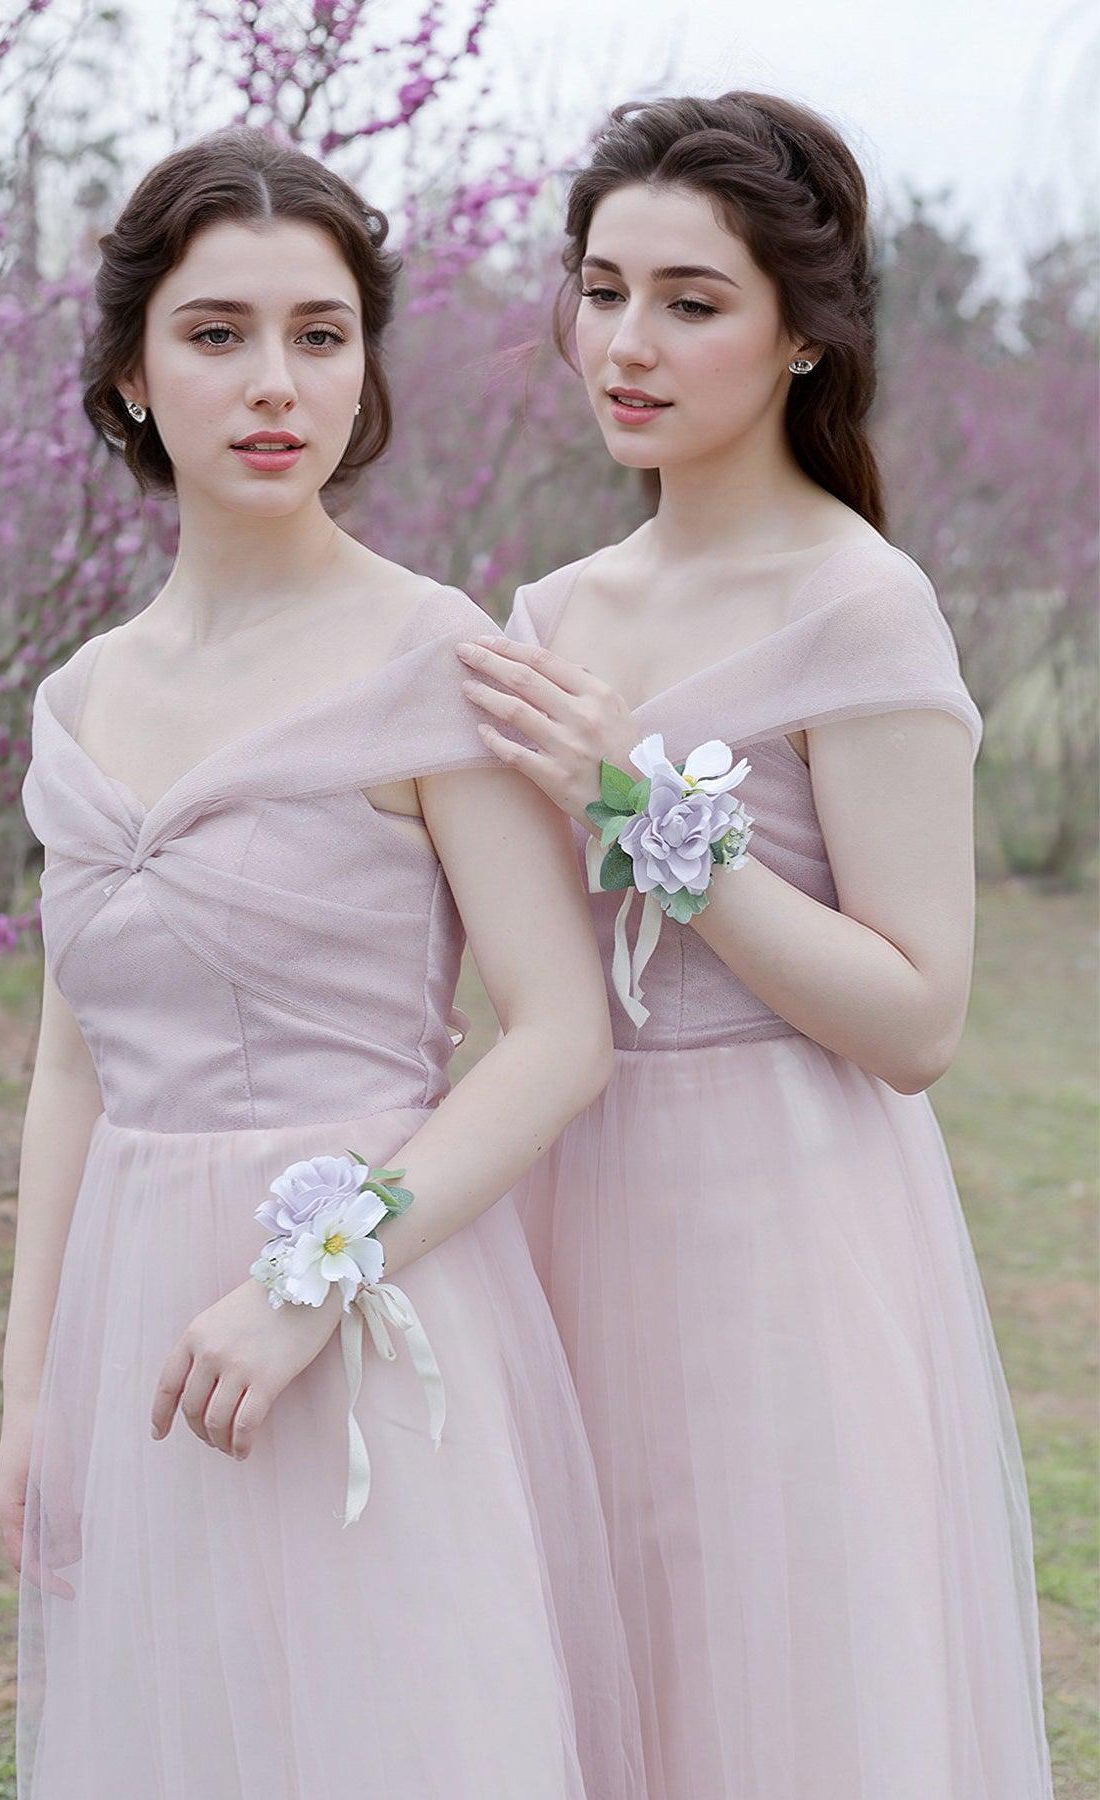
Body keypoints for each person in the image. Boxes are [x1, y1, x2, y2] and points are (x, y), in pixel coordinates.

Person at [0, 125, 646, 1800]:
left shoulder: (439, 657)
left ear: (363, 373)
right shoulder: (75, 704)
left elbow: (558, 1034)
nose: (273, 381)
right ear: (133, 375)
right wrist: (31, 1392)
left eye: (320, 333)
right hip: (134, 1326)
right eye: (217, 335)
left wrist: (312, 1285)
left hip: (367, 1320)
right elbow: (74, 1065)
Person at [458, 92, 1054, 1800]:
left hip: (785, 1229)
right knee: (590, 1665)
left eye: (691, 302)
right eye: (599, 289)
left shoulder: (857, 602)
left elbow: (918, 1014)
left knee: (772, 1688)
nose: (624, 345)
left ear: (803, 335)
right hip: (571, 1195)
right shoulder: (554, 613)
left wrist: (637, 800)